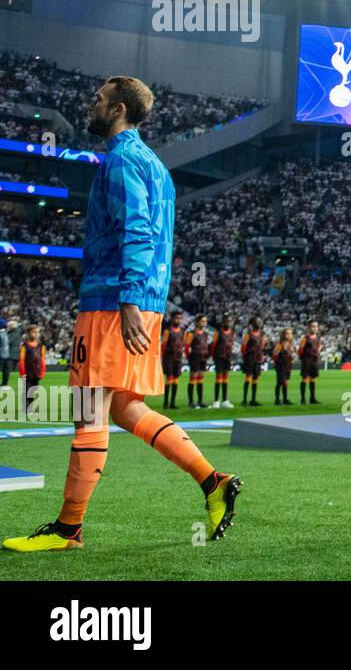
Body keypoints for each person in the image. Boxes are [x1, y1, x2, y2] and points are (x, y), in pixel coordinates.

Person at [4, 76, 239, 553]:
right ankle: (213, 481)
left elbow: (137, 231)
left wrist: (127, 298)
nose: (91, 104)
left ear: (119, 110)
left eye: (99, 99)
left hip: (114, 302)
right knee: (126, 407)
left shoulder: (121, 160)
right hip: (140, 302)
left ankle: (68, 528)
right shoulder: (153, 164)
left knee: (89, 411)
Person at [17, 324, 45, 415]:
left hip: (36, 372)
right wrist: (22, 372)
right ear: (28, 333)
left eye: (38, 332)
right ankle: (25, 407)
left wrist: (43, 371)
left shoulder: (41, 346)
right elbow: (21, 360)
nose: (36, 334)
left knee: (33, 390)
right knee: (26, 390)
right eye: (34, 332)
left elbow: (43, 359)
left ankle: (30, 407)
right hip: (27, 372)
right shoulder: (24, 346)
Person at [160, 310, 186, 409]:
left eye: (180, 319)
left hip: (178, 358)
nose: (178, 320)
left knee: (175, 379)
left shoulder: (183, 332)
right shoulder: (168, 332)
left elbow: (182, 345)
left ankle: (172, 403)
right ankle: (166, 402)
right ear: (172, 319)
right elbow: (163, 346)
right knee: (169, 379)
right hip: (169, 358)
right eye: (176, 318)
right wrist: (162, 358)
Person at [185, 314, 211, 409]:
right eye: (202, 321)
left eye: (205, 321)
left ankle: (200, 401)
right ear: (197, 322)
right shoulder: (191, 334)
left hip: (203, 358)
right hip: (195, 357)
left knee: (201, 379)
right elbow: (187, 347)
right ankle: (191, 402)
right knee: (193, 379)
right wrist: (189, 357)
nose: (204, 323)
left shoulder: (205, 334)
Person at [240, 316, 266, 406]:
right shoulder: (248, 335)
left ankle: (253, 399)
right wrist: (245, 356)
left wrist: (261, 355)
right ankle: (244, 399)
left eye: (259, 321)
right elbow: (243, 347)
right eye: (257, 322)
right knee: (248, 378)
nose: (259, 323)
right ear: (252, 324)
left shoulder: (262, 334)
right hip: (250, 358)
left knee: (255, 378)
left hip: (257, 358)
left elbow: (262, 346)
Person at [211, 314, 236, 408]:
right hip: (219, 356)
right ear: (223, 322)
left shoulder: (232, 333)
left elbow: (232, 344)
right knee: (218, 377)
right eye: (226, 321)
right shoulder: (218, 332)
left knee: (225, 377)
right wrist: (214, 355)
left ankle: (225, 400)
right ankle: (216, 400)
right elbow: (213, 345)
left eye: (229, 321)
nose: (228, 323)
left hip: (227, 357)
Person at [299, 320, 323, 405]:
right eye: (313, 326)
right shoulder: (305, 338)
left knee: (313, 378)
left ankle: (312, 398)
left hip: (315, 361)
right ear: (309, 327)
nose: (315, 328)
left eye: (316, 326)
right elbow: (300, 350)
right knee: (305, 378)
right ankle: (302, 399)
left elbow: (320, 345)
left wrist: (318, 351)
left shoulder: (318, 337)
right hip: (307, 360)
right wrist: (304, 358)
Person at [271, 328, 296, 405]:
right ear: (283, 335)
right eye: (287, 333)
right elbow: (274, 355)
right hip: (281, 366)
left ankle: (285, 399)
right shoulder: (279, 345)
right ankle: (277, 400)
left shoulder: (290, 345)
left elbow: (292, 355)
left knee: (286, 383)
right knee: (280, 382)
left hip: (288, 366)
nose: (289, 335)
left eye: (290, 334)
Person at [0, 318, 13, 388]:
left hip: (2, 355)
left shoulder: (4, 333)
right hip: (7, 354)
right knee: (6, 371)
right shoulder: (6, 333)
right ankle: (5, 384)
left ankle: (4, 384)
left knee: (6, 371)